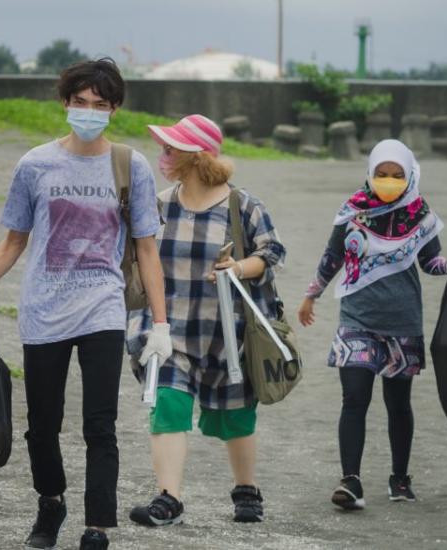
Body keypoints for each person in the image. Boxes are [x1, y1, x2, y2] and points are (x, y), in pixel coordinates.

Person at [0, 58, 170, 550]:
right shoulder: (35, 164)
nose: (88, 111)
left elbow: (146, 250)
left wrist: (161, 324)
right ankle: (51, 503)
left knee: (100, 424)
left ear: (114, 109)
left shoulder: (129, 166)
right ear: (65, 103)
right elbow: (14, 241)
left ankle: (98, 527)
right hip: (44, 309)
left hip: (103, 307)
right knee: (42, 425)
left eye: (99, 104)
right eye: (80, 102)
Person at [126, 115, 286, 528]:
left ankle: (246, 489)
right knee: (167, 404)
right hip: (169, 332)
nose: (163, 156)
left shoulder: (242, 205)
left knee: (235, 417)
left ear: (196, 156)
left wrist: (238, 267)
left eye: (171, 148)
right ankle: (169, 498)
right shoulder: (160, 205)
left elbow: (271, 254)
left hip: (228, 335)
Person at [297, 139, 447, 510]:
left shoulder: (420, 215)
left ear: (408, 175)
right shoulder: (353, 212)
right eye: (381, 174)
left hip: (402, 323)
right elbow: (332, 257)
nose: (388, 180)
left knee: (398, 404)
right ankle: (351, 481)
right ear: (370, 173)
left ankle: (400, 479)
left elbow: (430, 261)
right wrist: (311, 295)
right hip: (356, 319)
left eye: (396, 175)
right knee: (354, 398)